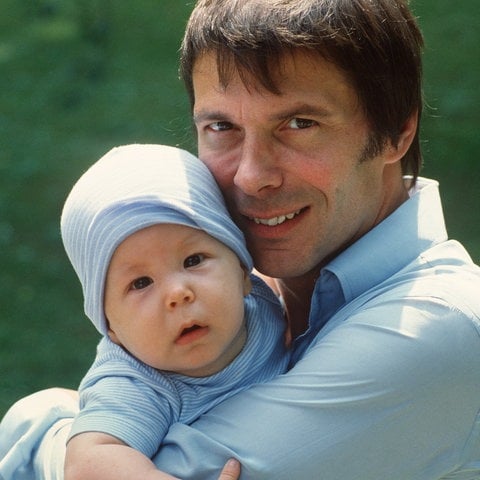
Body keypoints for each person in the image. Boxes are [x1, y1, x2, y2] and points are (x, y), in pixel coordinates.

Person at [2, 0, 480, 478]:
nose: (251, 177)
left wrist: (41, 421)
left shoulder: (436, 328)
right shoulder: (251, 302)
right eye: (222, 127)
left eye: (300, 124)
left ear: (396, 131)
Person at [0, 144, 289, 480]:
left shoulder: (261, 300)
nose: (177, 293)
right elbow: (88, 463)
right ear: (112, 329)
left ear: (241, 271)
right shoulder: (137, 383)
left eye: (193, 260)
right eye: (140, 283)